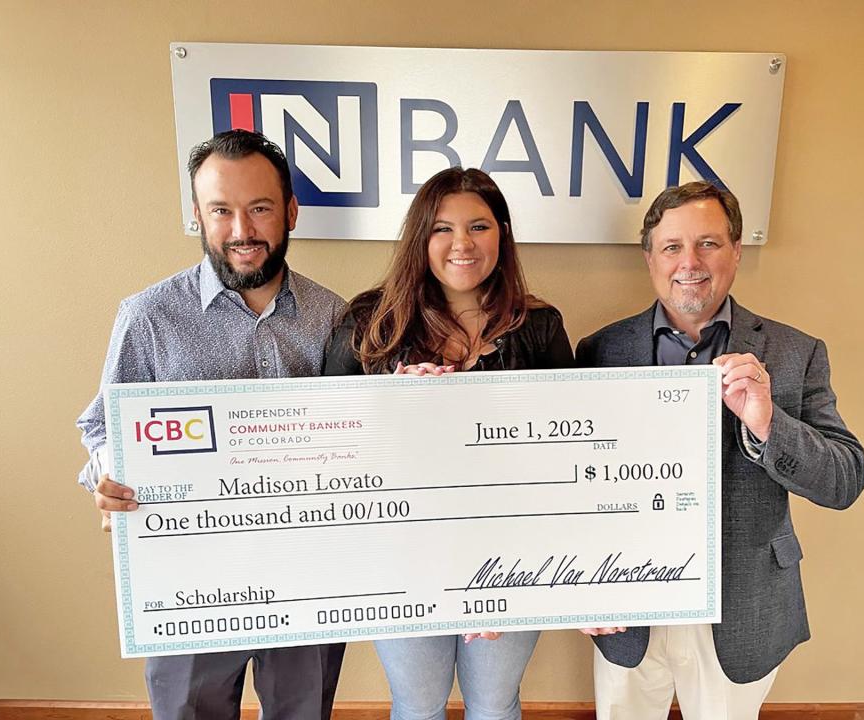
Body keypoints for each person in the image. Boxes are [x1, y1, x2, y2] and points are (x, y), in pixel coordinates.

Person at [76, 129, 346, 720]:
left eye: (260, 208)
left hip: (306, 577)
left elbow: (362, 436)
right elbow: (102, 428)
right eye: (221, 210)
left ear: (291, 212)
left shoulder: (334, 315)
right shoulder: (148, 316)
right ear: (196, 215)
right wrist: (110, 478)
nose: (242, 230)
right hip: (187, 583)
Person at [576, 181, 864, 720]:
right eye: (672, 247)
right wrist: (579, 582)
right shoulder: (601, 350)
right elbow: (572, 481)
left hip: (742, 606)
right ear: (650, 259)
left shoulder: (794, 352)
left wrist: (767, 422)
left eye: (709, 244)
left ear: (737, 250)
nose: (690, 262)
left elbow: (845, 479)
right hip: (627, 608)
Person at [324, 167, 573, 720]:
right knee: (417, 703)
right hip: (401, 556)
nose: (462, 244)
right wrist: (392, 406)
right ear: (421, 238)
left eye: (479, 226)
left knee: (494, 702)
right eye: (442, 228)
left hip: (512, 557)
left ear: (502, 235)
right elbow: (332, 446)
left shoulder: (539, 326)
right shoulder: (369, 323)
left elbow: (568, 454)